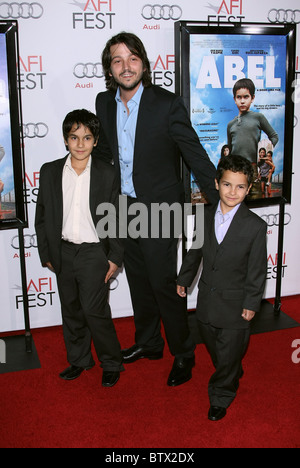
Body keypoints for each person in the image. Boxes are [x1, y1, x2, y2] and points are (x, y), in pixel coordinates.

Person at [94, 32, 219, 387]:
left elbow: (192, 151)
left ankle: (183, 352)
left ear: (144, 65)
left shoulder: (167, 103)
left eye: (132, 58)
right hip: (124, 207)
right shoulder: (104, 103)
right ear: (110, 69)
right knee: (137, 280)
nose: (126, 66)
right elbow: (105, 156)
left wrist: (221, 197)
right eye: (117, 60)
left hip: (161, 209)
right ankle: (149, 343)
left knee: (165, 284)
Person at [35, 109, 124, 388]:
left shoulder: (107, 173)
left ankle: (111, 362)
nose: (81, 144)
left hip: (94, 252)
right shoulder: (50, 171)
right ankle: (79, 360)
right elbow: (42, 216)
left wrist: (115, 257)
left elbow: (116, 218)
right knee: (71, 310)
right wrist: (47, 253)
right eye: (74, 137)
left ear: (95, 141)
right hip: (63, 251)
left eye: (87, 138)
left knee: (95, 311)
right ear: (65, 140)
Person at [177, 155, 267, 421]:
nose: (232, 192)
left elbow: (257, 270)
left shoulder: (255, 226)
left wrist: (252, 303)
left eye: (240, 187)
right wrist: (184, 279)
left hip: (236, 303)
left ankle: (221, 394)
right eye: (227, 185)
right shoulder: (204, 215)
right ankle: (230, 367)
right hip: (207, 300)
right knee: (214, 344)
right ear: (217, 184)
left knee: (228, 351)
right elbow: (195, 252)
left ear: (248, 189)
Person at [227, 78, 279, 165]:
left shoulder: (258, 117)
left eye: (246, 97)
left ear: (252, 98)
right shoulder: (230, 124)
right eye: (239, 97)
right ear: (235, 99)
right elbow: (230, 149)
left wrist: (266, 151)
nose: (242, 101)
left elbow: (274, 137)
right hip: (235, 167)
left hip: (253, 166)